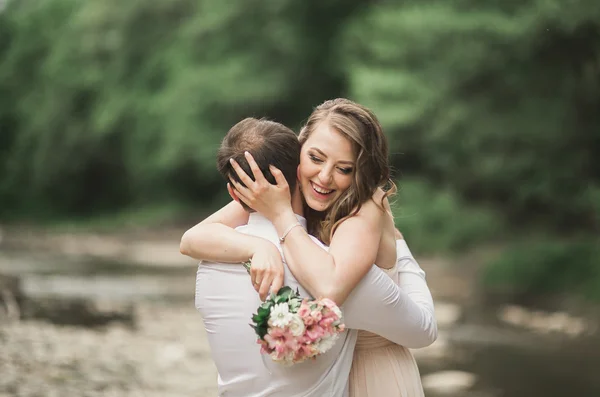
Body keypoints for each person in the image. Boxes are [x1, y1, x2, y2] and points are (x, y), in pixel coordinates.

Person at [182, 101, 436, 396]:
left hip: (371, 371)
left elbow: (330, 287)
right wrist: (258, 247)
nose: (325, 177)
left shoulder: (364, 206)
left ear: (361, 172)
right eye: (316, 158)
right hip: (329, 369)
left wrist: (403, 253)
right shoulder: (287, 185)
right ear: (299, 146)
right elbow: (192, 239)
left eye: (344, 168)